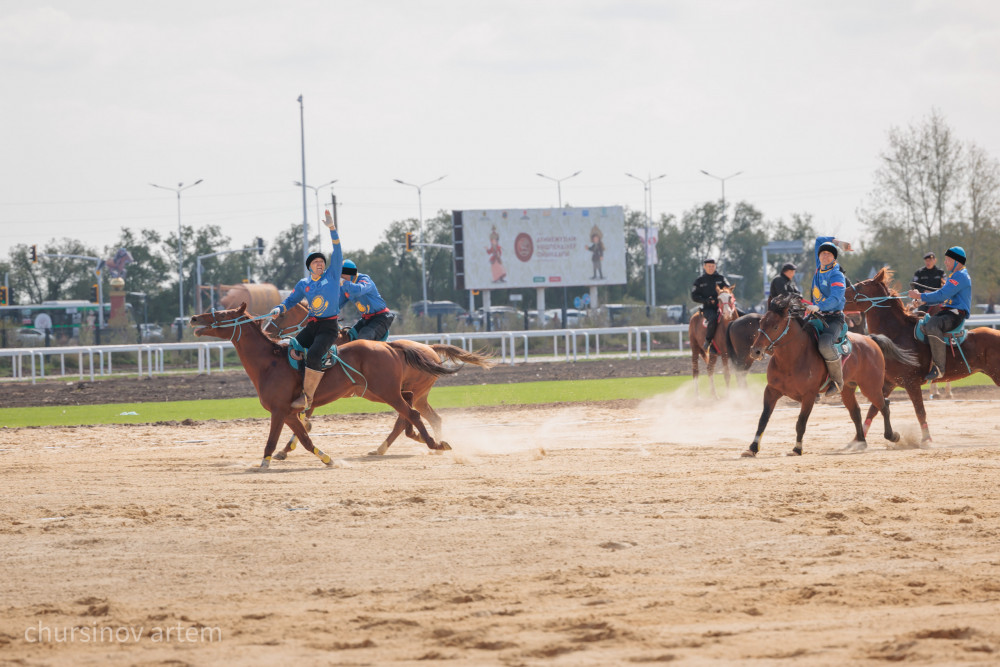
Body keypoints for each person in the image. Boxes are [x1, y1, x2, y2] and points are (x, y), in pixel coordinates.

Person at [268, 210, 343, 410]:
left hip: (328, 327)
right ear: (310, 267)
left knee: (315, 355)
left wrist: (332, 229)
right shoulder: (304, 283)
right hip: (312, 326)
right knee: (292, 348)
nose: (320, 264)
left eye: (322, 262)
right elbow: (291, 300)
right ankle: (297, 384)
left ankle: (308, 398)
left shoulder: (333, 275)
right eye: (316, 263)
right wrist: (278, 308)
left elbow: (338, 252)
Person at [907, 246, 972, 381]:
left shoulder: (960, 276)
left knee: (932, 325)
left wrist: (920, 297)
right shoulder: (955, 275)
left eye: (948, 259)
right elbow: (943, 297)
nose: (945, 262)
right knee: (924, 324)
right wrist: (922, 302)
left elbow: (942, 295)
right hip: (948, 312)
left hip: (955, 315)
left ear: (957, 261)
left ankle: (939, 368)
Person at [804, 237, 851, 395]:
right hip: (816, 316)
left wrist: (819, 306)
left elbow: (836, 298)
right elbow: (818, 240)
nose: (825, 256)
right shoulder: (820, 267)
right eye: (823, 253)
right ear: (819, 256)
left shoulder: (836, 275)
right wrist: (839, 243)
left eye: (829, 254)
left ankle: (837, 381)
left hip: (834, 319)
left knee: (824, 344)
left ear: (834, 258)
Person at [338, 259, 395, 341]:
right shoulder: (345, 287)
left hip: (381, 317)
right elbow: (337, 304)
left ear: (351, 274)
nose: (340, 278)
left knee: (363, 339)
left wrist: (343, 282)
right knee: (348, 337)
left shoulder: (365, 279)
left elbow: (357, 290)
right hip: (366, 319)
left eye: (342, 275)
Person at [690, 258, 732, 358]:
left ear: (715, 266)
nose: (711, 268)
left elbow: (728, 289)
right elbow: (694, 296)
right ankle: (708, 342)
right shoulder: (699, 281)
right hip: (709, 308)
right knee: (713, 319)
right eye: (708, 266)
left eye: (712, 266)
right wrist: (706, 300)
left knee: (739, 315)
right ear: (704, 267)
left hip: (723, 306)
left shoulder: (721, 278)